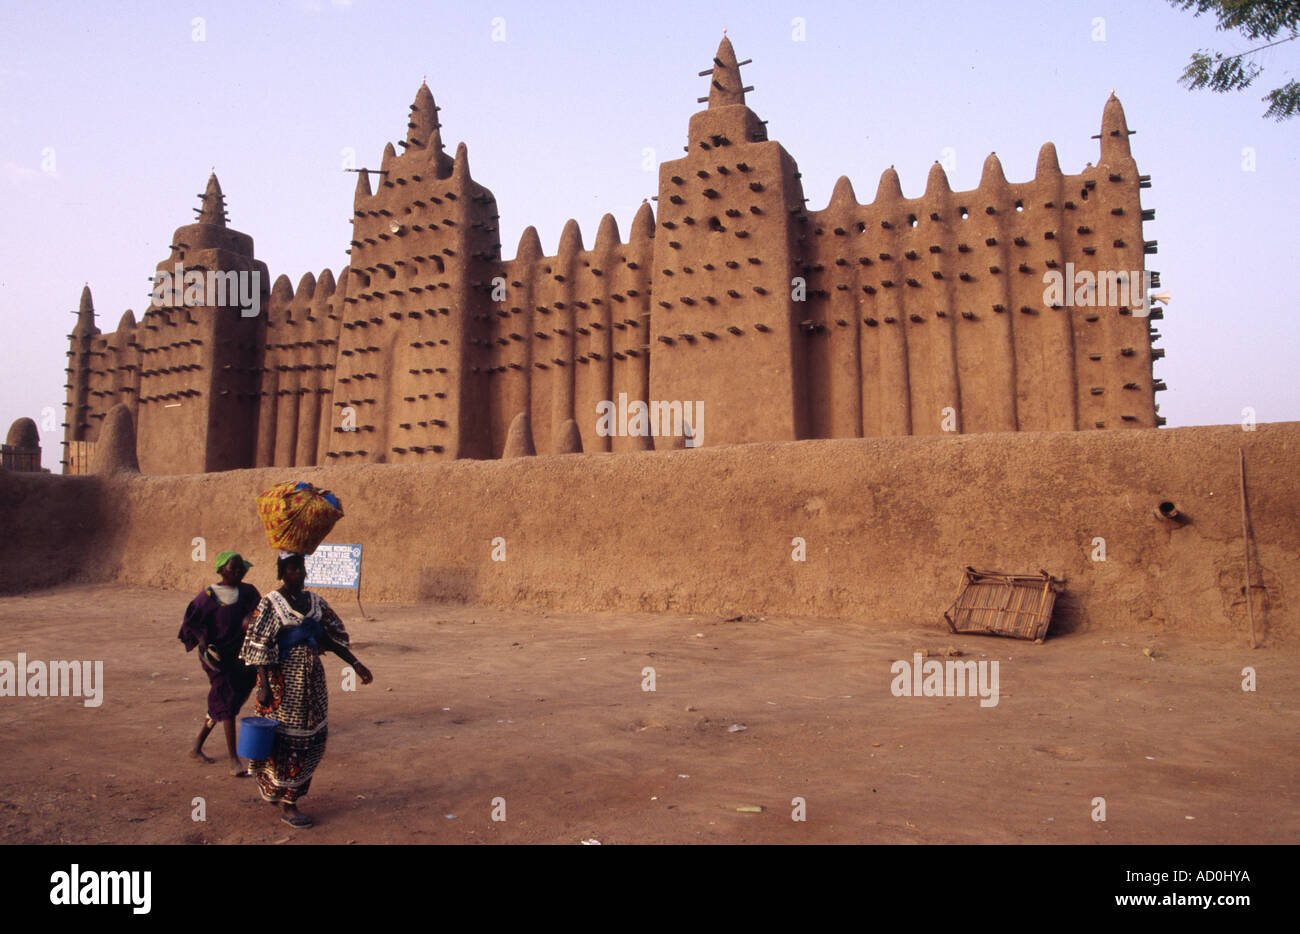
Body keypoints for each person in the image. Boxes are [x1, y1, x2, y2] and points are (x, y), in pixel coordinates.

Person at [239, 551, 373, 828]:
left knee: (311, 737)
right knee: (286, 740)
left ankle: (287, 791)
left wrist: (356, 663)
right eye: (290, 568)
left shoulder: (314, 602)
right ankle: (289, 803)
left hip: (311, 682)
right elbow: (258, 644)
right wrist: (263, 684)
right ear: (281, 573)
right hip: (281, 684)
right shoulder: (271, 603)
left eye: (299, 567)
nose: (297, 573)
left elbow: (329, 638)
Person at [178, 551, 261, 776]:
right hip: (217, 658)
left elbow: (261, 612)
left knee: (227, 701)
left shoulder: (248, 592)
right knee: (226, 699)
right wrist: (202, 640)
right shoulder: (207, 597)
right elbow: (190, 624)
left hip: (241, 656)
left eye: (241, 569)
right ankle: (234, 760)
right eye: (233, 569)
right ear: (221, 570)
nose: (238, 572)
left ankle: (196, 747)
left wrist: (250, 618)